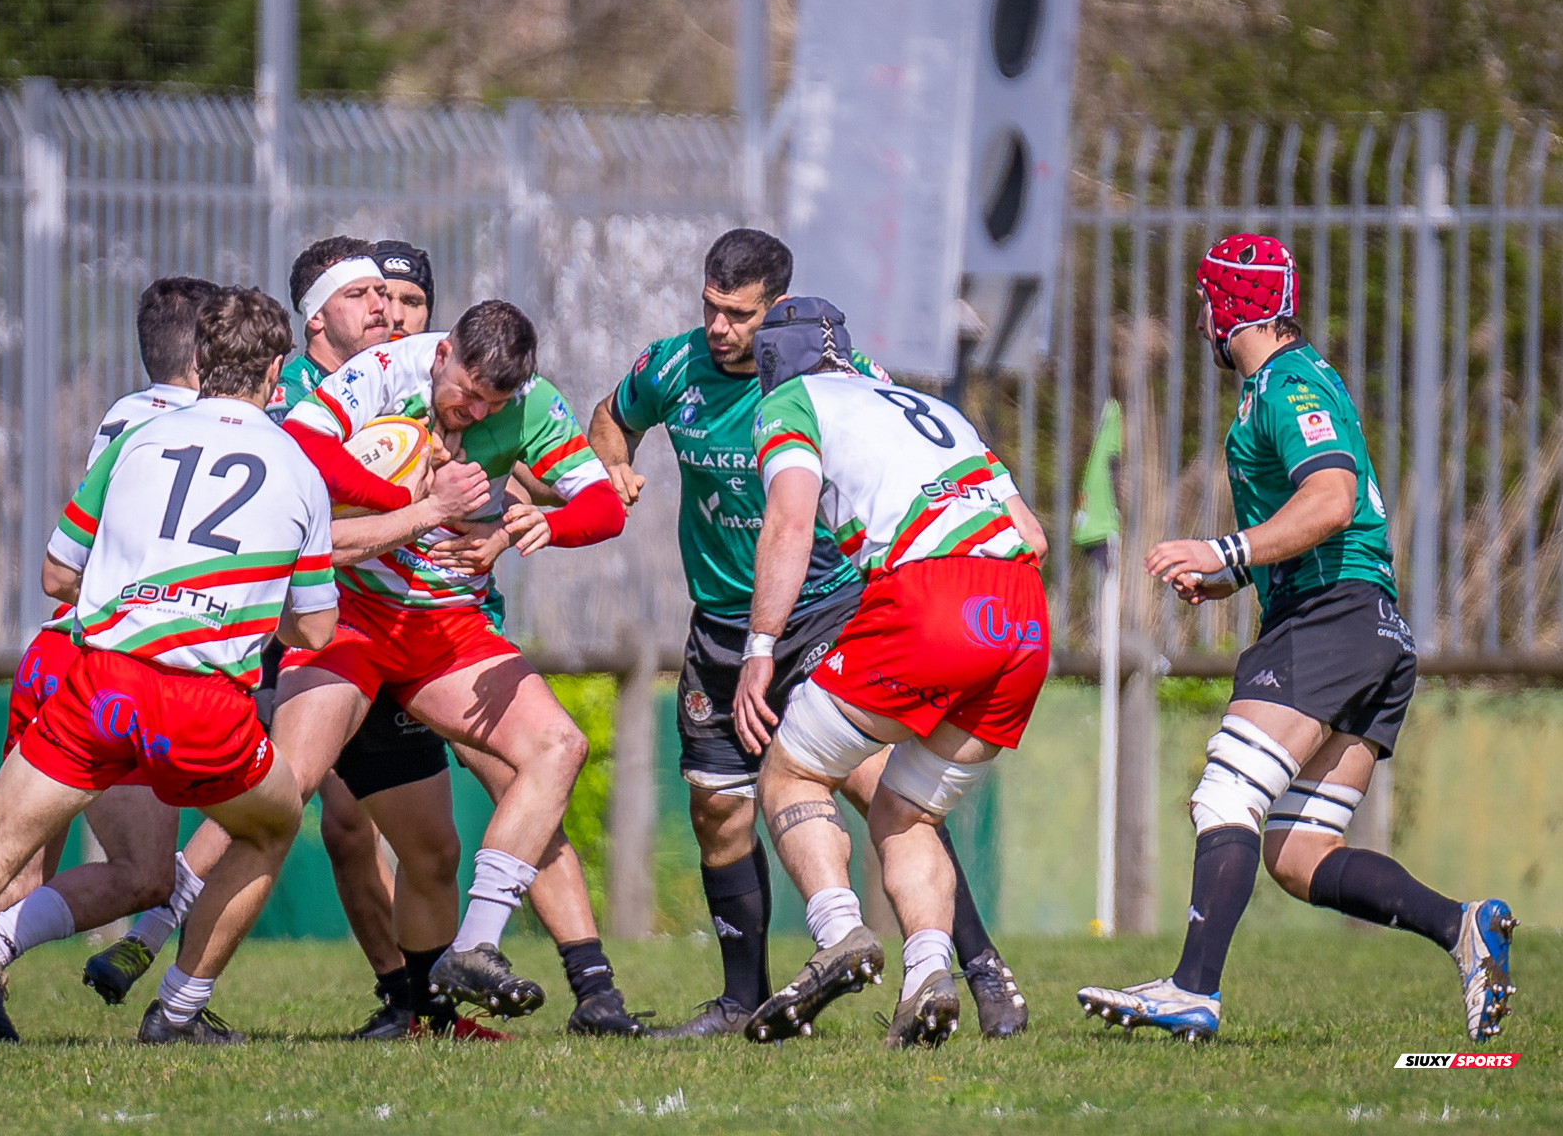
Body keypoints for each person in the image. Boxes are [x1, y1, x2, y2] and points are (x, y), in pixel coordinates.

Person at [91, 243, 643, 1038]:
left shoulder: (528, 403)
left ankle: (476, 954)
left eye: (493, 405)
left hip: (445, 627)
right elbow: (305, 452)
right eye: (465, 394)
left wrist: (542, 526)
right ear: (442, 353)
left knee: (551, 754)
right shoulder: (381, 373)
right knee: (278, 801)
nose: (475, 414)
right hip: (346, 620)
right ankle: (172, 987)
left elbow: (604, 506)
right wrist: (410, 498)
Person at [587, 230, 1028, 1039]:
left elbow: (799, 518)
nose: (721, 329)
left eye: (741, 316)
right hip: (722, 619)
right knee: (716, 808)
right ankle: (741, 999)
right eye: (711, 309)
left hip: (823, 609)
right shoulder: (669, 367)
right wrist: (611, 467)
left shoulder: (825, 381)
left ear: (777, 310)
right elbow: (608, 420)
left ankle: (977, 967)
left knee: (873, 788)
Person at [1077, 234, 1517, 1043]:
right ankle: (1462, 926)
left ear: (1230, 306)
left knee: (1224, 795)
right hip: (1371, 628)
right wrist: (1234, 576)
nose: (1203, 317)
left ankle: (1192, 989)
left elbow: (1333, 498)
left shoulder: (1286, 382)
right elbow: (1312, 514)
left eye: (1207, 300)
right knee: (1298, 850)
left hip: (1331, 619)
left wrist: (1227, 550)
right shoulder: (1280, 386)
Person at [0, 287, 338, 1045]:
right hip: (203, 705)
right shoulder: (297, 467)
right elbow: (316, 628)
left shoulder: (135, 438)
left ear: (200, 358)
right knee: (272, 824)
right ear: (278, 370)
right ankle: (180, 1011)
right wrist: (244, 604)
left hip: (101, 682)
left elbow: (59, 573)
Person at [729, 298, 1049, 1049]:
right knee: (905, 811)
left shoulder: (789, 403)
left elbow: (790, 520)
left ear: (775, 363)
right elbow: (1030, 532)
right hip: (1023, 616)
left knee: (790, 773)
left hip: (930, 600)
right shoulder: (923, 402)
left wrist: (759, 647)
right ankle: (928, 976)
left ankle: (840, 929)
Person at [0, 276, 224, 1043]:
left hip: (51, 646)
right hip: (112, 664)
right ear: (210, 351)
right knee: (145, 873)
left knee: (16, 862)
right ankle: (172, 998)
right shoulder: (205, 430)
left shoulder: (127, 415)